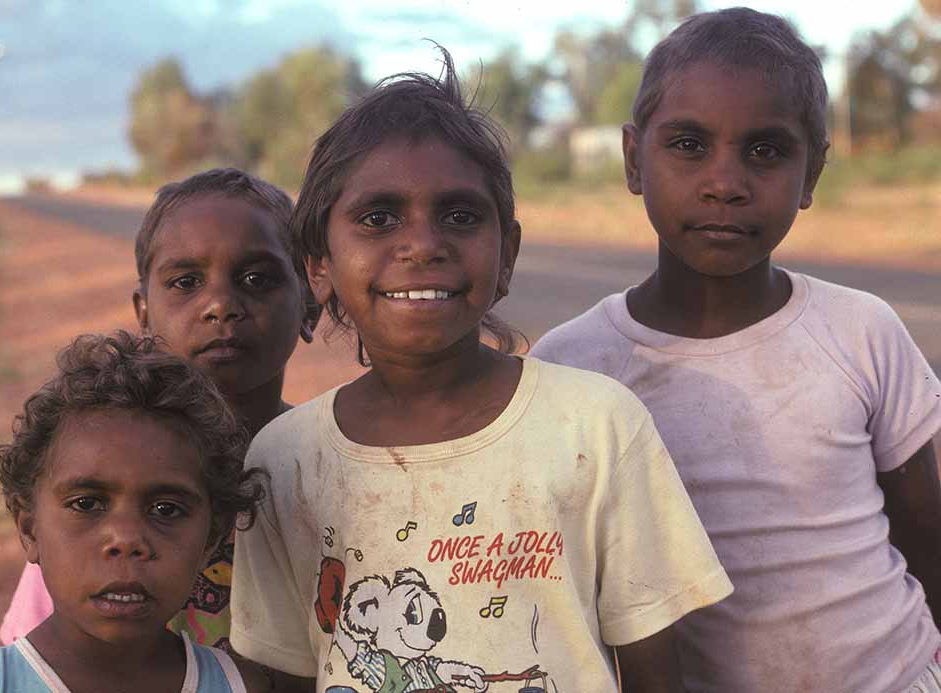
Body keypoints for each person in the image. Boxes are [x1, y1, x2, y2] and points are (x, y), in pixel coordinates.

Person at [228, 48, 733, 693]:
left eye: (459, 216)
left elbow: (654, 665)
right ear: (319, 264)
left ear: (507, 254)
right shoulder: (285, 460)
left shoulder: (595, 425)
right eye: (378, 218)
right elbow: (290, 672)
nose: (422, 244)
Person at [530, 8, 941, 692]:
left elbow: (926, 528)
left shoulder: (861, 329)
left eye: (766, 150)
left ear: (812, 173)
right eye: (689, 145)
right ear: (635, 159)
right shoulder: (572, 365)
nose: (726, 181)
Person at [0, 168, 318, 651]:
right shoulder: (101, 468)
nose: (220, 304)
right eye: (186, 281)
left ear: (309, 301)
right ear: (143, 310)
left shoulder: (333, 465)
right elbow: (35, 664)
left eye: (257, 278)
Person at [0, 332, 272, 692]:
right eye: (86, 504)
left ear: (210, 538)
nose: (126, 539)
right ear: (29, 528)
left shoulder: (239, 687)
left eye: (165, 509)